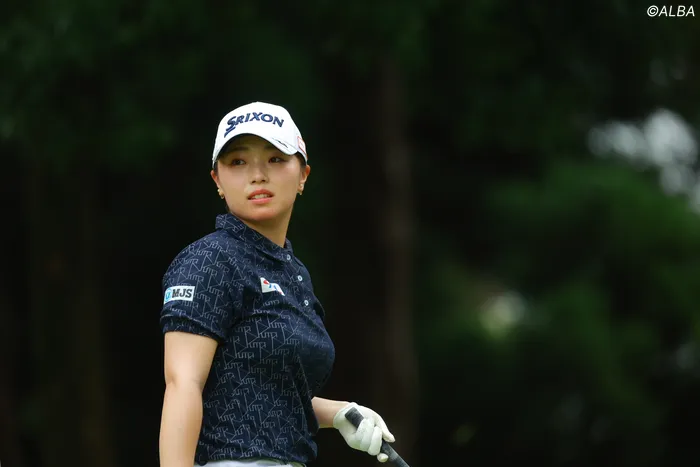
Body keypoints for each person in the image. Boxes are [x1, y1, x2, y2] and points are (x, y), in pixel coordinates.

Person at [158, 102, 396, 467]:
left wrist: (340, 413)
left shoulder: (291, 272)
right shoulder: (208, 261)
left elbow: (266, 394)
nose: (257, 175)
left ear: (303, 175)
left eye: (275, 159)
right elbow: (182, 384)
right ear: (217, 180)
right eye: (238, 161)